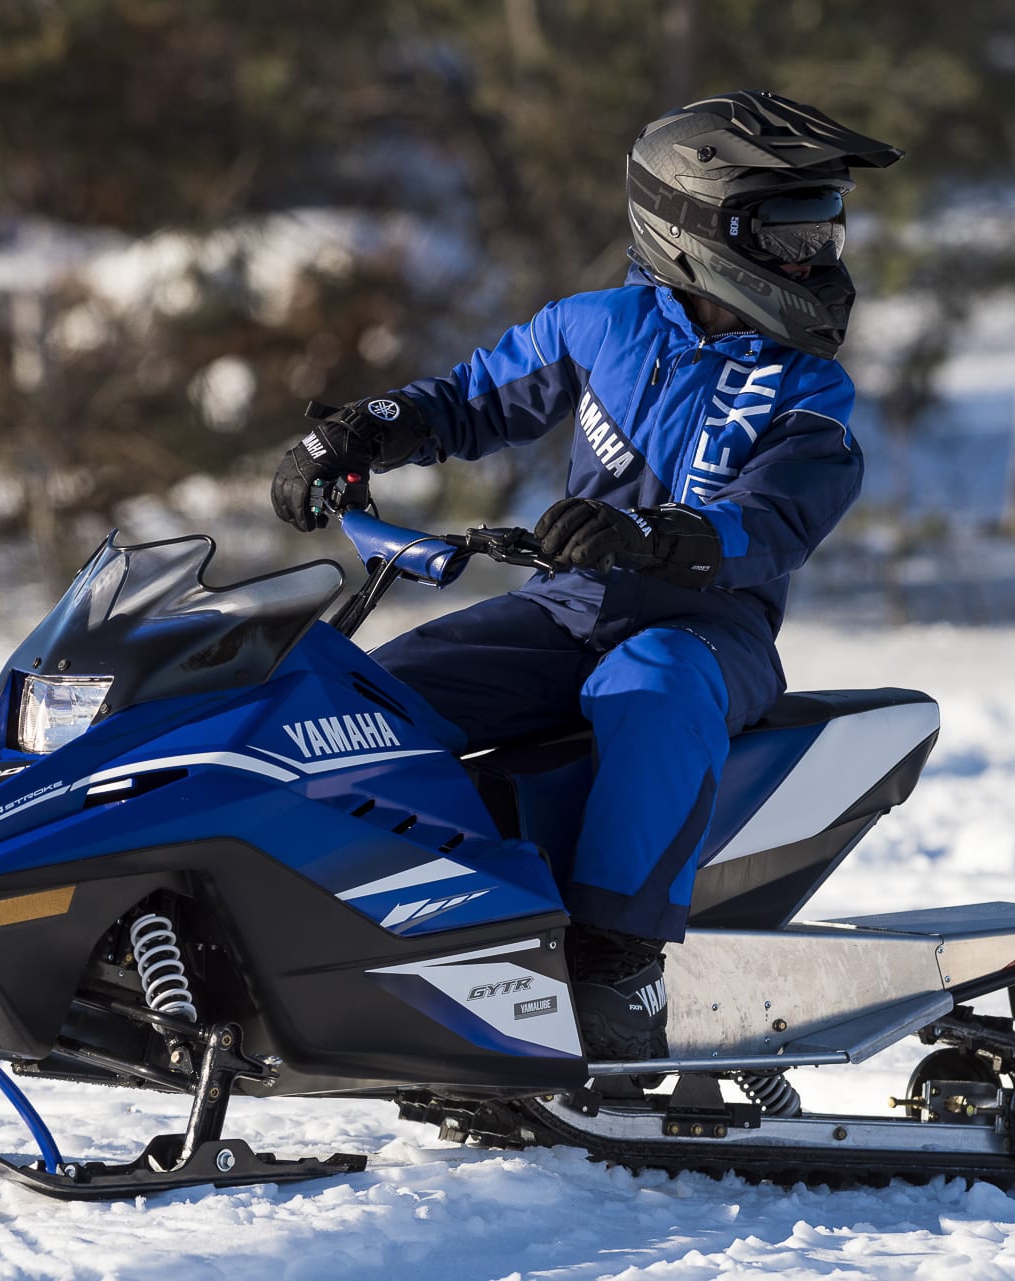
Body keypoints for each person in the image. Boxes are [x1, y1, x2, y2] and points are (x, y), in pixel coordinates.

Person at [270, 90, 902, 1067]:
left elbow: (778, 518)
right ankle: (362, 923)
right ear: (694, 227)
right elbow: (472, 399)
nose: (815, 261)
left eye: (824, 235)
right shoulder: (599, 327)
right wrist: (366, 430)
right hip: (566, 607)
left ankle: (620, 966)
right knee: (363, 700)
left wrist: (660, 536)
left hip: (707, 629)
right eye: (789, 236)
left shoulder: (809, 392)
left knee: (652, 686)